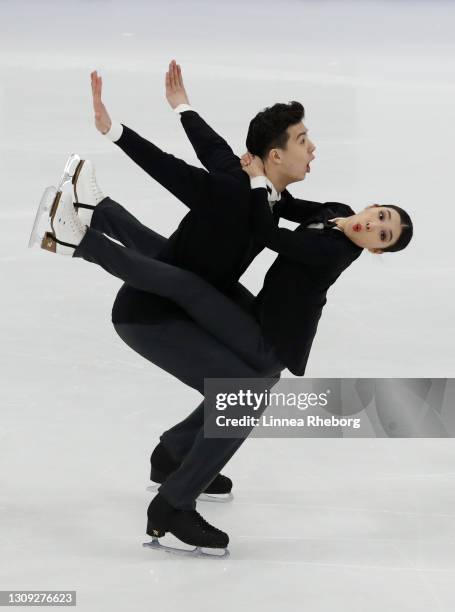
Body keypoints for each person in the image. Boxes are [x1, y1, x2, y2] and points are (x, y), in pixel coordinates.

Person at [29, 59, 413, 555]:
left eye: (384, 232)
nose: (313, 147)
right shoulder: (243, 192)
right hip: (154, 315)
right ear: (275, 155)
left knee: (254, 375)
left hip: (176, 298)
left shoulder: (268, 194)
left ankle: (174, 457)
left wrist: (183, 109)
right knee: (243, 398)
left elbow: (216, 155)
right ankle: (172, 508)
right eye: (303, 140)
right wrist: (118, 131)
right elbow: (180, 173)